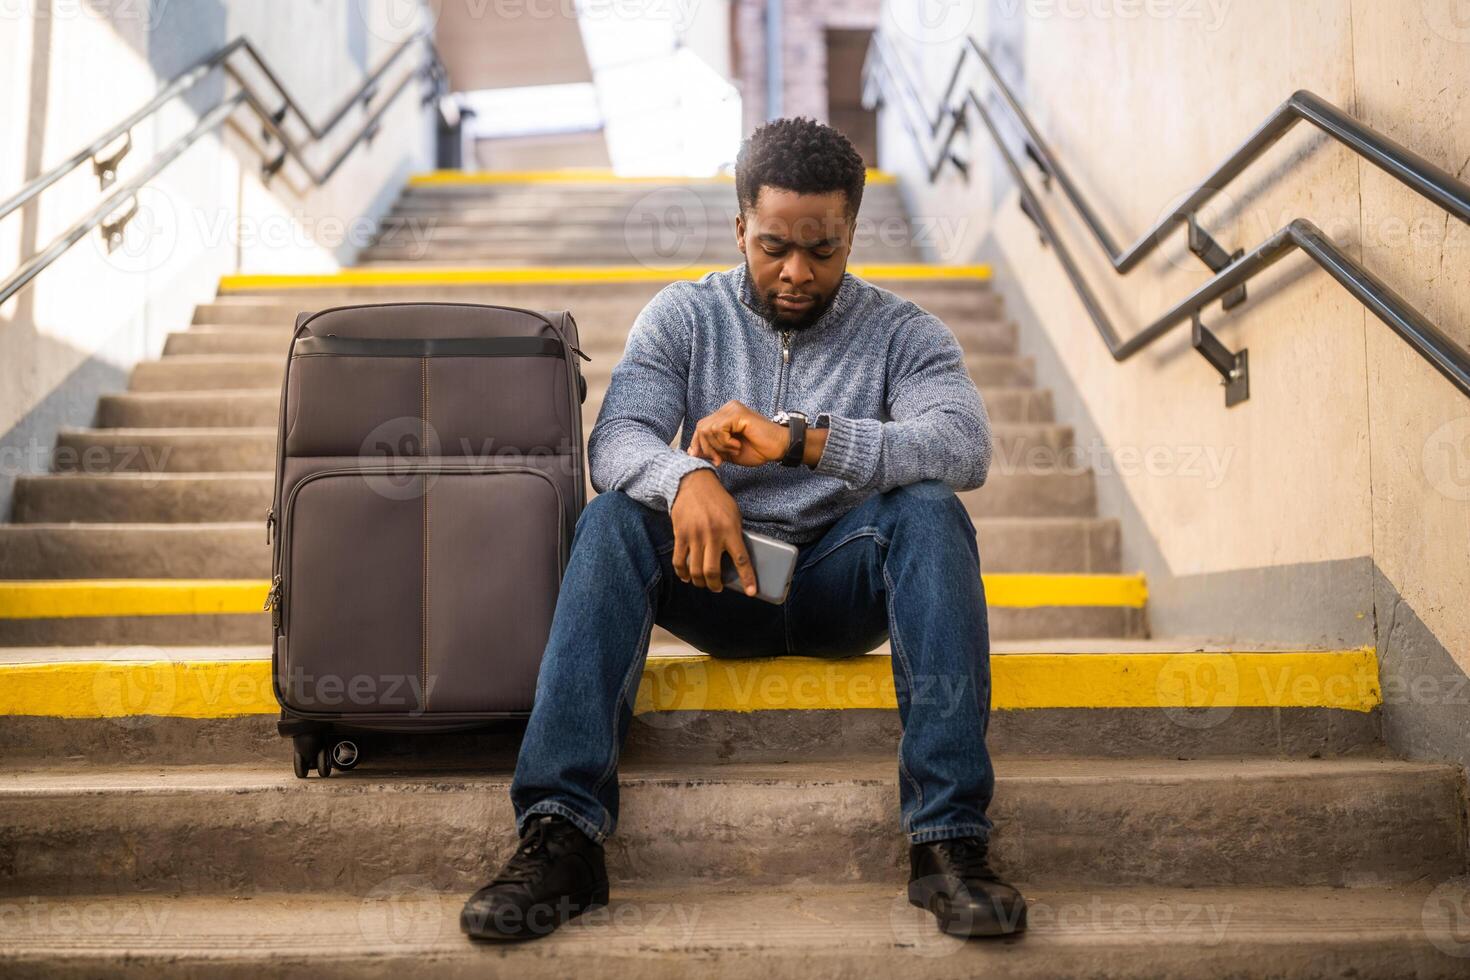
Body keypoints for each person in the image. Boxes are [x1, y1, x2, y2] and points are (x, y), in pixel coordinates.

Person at [460, 116, 1027, 941]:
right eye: (773, 247)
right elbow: (616, 440)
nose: (796, 272)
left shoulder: (903, 331)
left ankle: (949, 843)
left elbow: (964, 445)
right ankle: (562, 835)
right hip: (714, 579)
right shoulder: (682, 316)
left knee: (933, 510)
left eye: (822, 250)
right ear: (739, 229)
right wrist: (686, 477)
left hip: (842, 580)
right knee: (614, 519)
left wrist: (801, 439)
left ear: (850, 234)